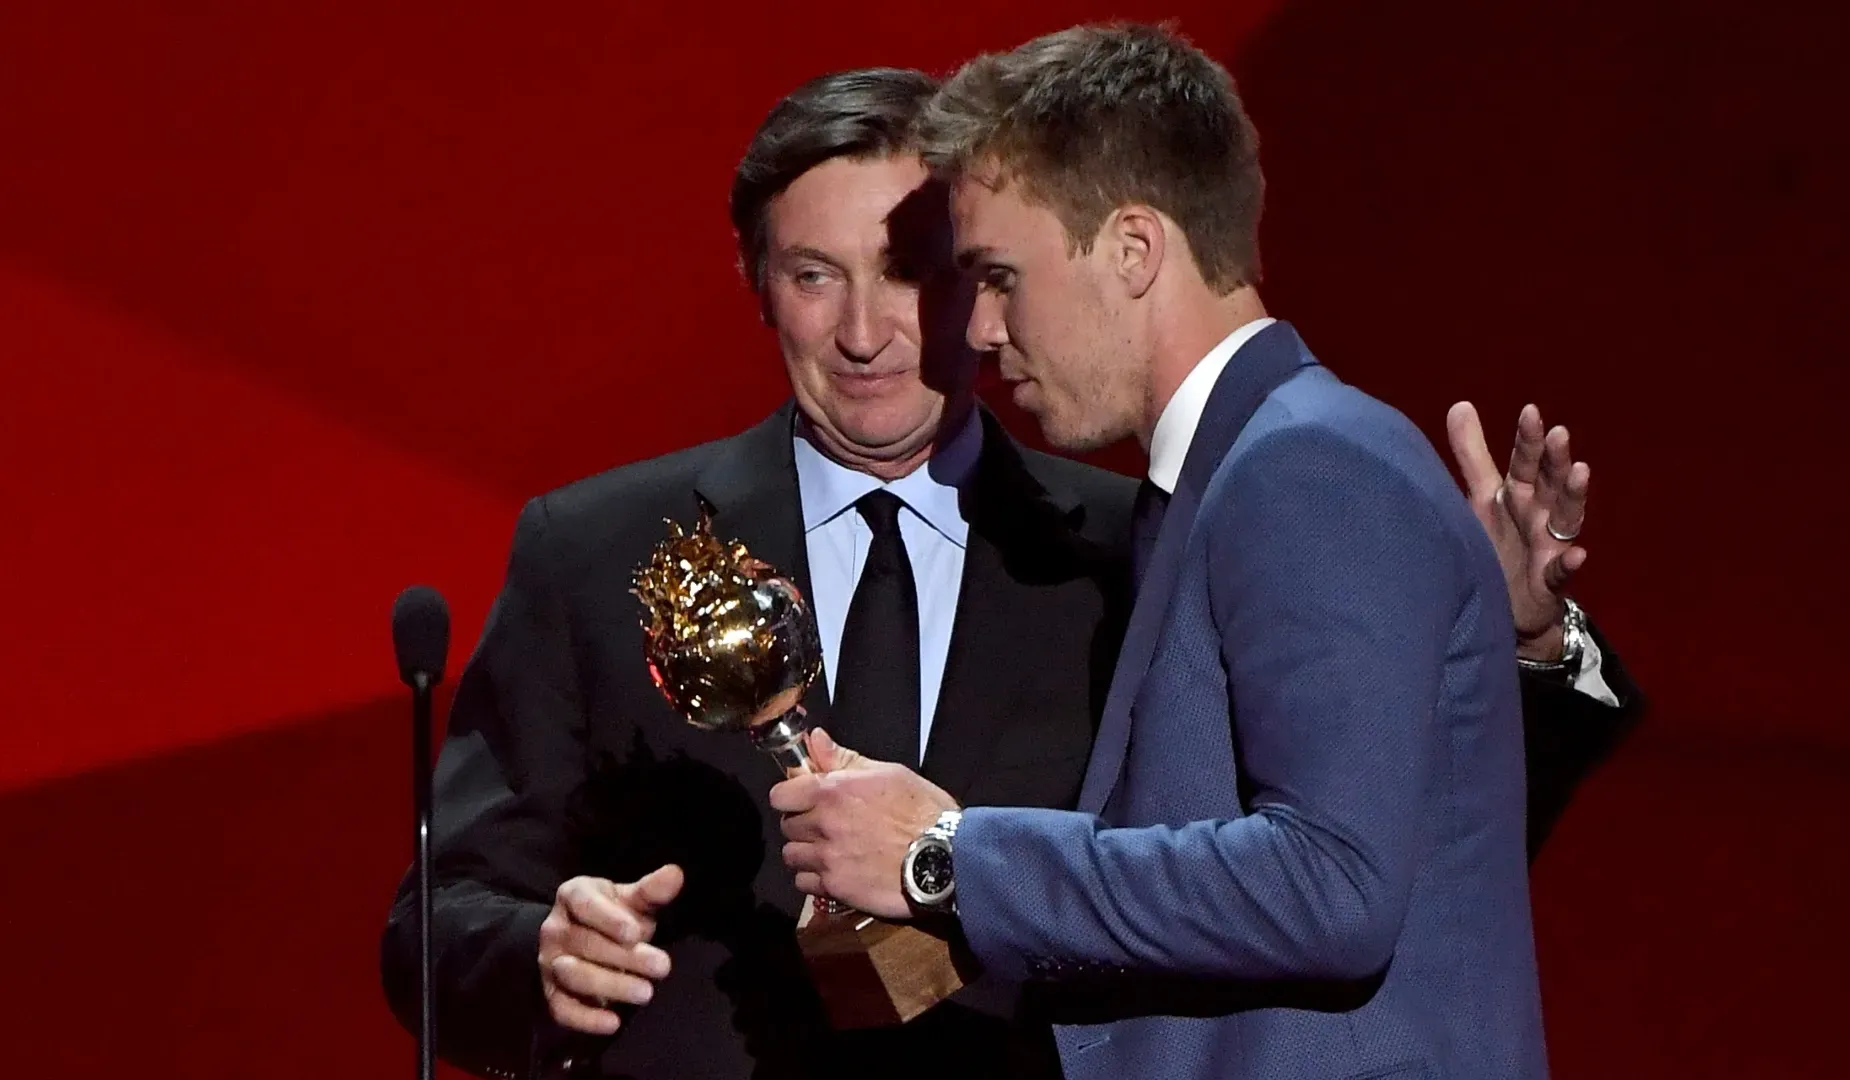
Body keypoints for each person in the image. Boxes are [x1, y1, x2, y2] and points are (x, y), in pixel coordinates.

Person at [381, 64, 1638, 1080]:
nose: (872, 334)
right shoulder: (597, 551)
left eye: (928, 275)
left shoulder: (1132, 540)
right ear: (757, 284)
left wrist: (1506, 641)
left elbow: (1357, 859)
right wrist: (537, 957)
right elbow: (433, 924)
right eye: (815, 276)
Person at [771, 25, 1556, 1080]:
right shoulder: (1236, 471)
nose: (985, 329)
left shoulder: (1306, 468)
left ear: (1134, 250)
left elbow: (1333, 883)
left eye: (1000, 276)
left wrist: (944, 857)